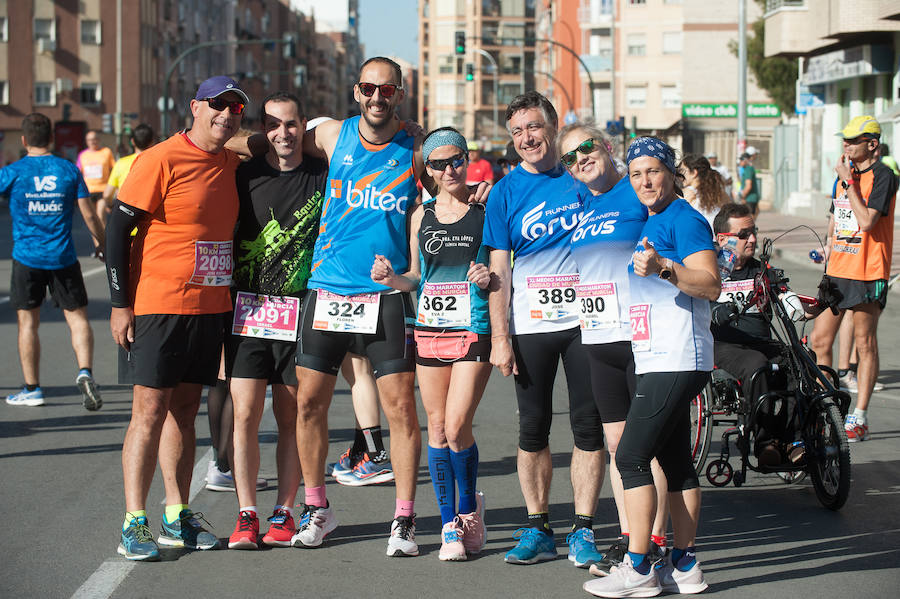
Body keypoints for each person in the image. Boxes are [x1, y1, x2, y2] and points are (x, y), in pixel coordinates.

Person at [105, 76, 249, 561]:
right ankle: (133, 520)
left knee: (184, 414)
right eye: (217, 104)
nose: (226, 114)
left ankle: (176, 513)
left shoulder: (231, 159)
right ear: (195, 106)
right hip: (159, 306)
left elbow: (280, 138)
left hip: (209, 310)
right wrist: (120, 303)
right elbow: (116, 228)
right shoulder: (160, 157)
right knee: (147, 413)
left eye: (235, 108)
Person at [289, 57, 427, 556]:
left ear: (399, 95)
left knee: (402, 410)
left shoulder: (414, 148)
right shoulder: (329, 134)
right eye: (368, 88)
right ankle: (316, 509)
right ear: (355, 91)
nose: (376, 98)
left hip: (384, 295)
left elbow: (445, 193)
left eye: (386, 91)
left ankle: (404, 519)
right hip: (326, 291)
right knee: (309, 404)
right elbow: (280, 144)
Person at [584, 137, 718, 598]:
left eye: (653, 172)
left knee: (630, 457)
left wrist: (664, 267)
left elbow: (712, 283)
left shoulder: (686, 218)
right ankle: (685, 565)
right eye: (636, 173)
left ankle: (638, 566)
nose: (644, 181)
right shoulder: (654, 217)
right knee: (675, 461)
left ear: (670, 173)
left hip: (677, 355)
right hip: (658, 353)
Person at [484, 91, 606, 567]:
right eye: (516, 132)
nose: (526, 138)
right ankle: (537, 526)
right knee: (532, 428)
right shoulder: (505, 191)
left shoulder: (582, 175)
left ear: (553, 126)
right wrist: (500, 338)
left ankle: (583, 528)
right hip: (531, 324)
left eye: (533, 127)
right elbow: (499, 270)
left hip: (586, 321)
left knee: (587, 426)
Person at [371, 126, 492, 561]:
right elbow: (416, 277)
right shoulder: (421, 215)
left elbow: (500, 265)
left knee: (458, 426)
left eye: (455, 159)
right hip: (429, 329)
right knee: (438, 428)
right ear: (430, 171)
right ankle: (449, 527)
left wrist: (488, 278)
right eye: (438, 164)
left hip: (473, 326)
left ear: (466, 158)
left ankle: (468, 511)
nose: (449, 169)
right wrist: (392, 279)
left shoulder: (486, 207)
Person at [557, 123, 671, 573]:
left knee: (649, 447)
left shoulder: (635, 193)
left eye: (586, 148)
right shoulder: (586, 206)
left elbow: (670, 233)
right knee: (618, 444)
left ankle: (657, 542)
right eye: (570, 157)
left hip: (639, 335)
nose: (580, 159)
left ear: (606, 147)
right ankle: (630, 539)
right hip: (598, 339)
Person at [224, 92, 328, 550]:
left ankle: (284, 511)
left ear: (302, 125)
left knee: (291, 417)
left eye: (290, 124)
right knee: (245, 413)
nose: (282, 133)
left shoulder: (322, 175)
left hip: (300, 313)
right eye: (272, 125)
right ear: (261, 131)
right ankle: (247, 513)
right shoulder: (244, 173)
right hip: (247, 312)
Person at [2, 112, 105, 411]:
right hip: (63, 257)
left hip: (26, 257)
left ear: (23, 140)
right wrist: (103, 245)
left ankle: (32, 389)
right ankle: (85, 371)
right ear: (52, 139)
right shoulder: (68, 170)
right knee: (77, 319)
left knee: (27, 324)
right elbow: (88, 214)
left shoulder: (13, 171)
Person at [810, 115, 896, 443]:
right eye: (843, 140)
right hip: (838, 271)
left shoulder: (884, 176)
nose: (846, 146)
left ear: (872, 144)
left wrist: (848, 182)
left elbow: (867, 221)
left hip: (868, 272)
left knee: (864, 343)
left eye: (852, 140)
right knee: (820, 341)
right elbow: (838, 221)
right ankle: (826, 409)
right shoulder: (843, 176)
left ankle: (859, 416)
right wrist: (827, 254)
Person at [709, 203, 798, 464]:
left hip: (760, 341)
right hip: (722, 343)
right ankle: (764, 442)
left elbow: (786, 298)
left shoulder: (762, 271)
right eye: (744, 234)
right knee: (757, 366)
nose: (753, 239)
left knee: (802, 362)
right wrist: (716, 311)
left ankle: (793, 439)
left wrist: (808, 307)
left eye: (754, 232)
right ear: (723, 239)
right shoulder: (708, 269)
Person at [77, 129, 116, 250]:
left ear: (98, 140)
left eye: (94, 139)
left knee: (100, 215)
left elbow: (113, 169)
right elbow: (78, 172)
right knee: (92, 219)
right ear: (86, 142)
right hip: (88, 191)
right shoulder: (83, 155)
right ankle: (98, 247)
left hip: (102, 189)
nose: (92, 142)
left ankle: (105, 244)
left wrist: (113, 187)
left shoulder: (106, 152)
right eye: (89, 140)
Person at [101, 124, 156, 210]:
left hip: (125, 213)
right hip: (151, 213)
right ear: (152, 142)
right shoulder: (158, 162)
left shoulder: (121, 163)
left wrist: (110, 206)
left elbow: (107, 195)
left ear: (132, 141)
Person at [681, 154, 730, 231]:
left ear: (694, 173)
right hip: (719, 238)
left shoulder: (688, 193)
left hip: (698, 238)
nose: (680, 175)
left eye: (683, 171)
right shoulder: (720, 193)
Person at [737, 152, 759, 216]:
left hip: (749, 198)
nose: (740, 162)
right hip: (750, 198)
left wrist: (743, 197)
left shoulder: (748, 169)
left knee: (748, 218)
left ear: (746, 160)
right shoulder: (748, 169)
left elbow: (748, 186)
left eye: (741, 160)